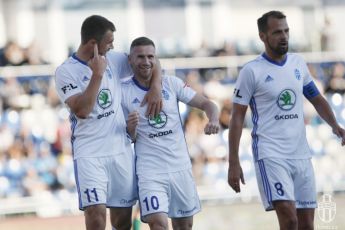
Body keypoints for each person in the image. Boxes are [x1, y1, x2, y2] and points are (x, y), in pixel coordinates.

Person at [227, 11, 345, 230]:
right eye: (277, 32)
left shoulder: (298, 64)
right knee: (289, 220)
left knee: (307, 224)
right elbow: (236, 119)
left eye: (286, 31)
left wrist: (336, 126)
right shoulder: (251, 71)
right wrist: (233, 162)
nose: (284, 36)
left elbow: (317, 99)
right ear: (263, 36)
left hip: (301, 154)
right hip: (271, 154)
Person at [54, 15, 162, 230]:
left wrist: (156, 87)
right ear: (93, 44)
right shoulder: (65, 71)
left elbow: (151, 61)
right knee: (96, 217)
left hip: (120, 151)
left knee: (122, 223)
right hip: (90, 154)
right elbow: (83, 110)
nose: (112, 45)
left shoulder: (113, 58)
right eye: (109, 41)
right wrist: (97, 75)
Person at [121, 37, 220, 230]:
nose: (146, 61)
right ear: (130, 60)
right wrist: (130, 129)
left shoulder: (172, 84)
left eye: (151, 56)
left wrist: (213, 119)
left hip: (180, 169)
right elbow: (127, 138)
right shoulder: (122, 92)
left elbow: (208, 104)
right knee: (158, 224)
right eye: (140, 57)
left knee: (185, 226)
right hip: (150, 172)